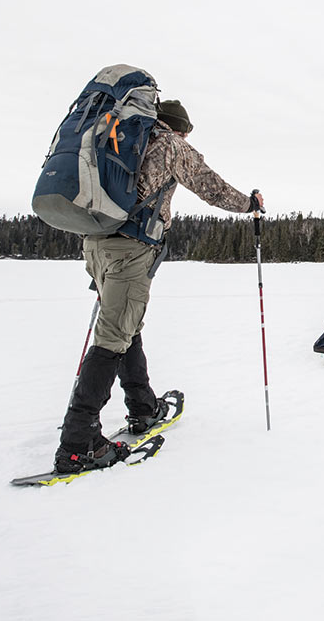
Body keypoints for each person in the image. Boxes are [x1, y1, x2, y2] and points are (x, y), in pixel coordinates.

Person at [54, 98, 264, 473]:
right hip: (130, 250)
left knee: (126, 326)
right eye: (186, 130)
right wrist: (249, 204)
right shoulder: (169, 143)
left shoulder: (119, 137)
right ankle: (78, 441)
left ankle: (143, 407)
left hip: (96, 244)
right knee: (113, 337)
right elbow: (211, 187)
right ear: (178, 126)